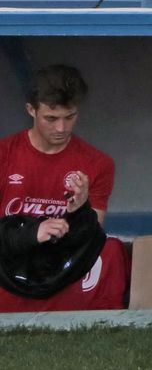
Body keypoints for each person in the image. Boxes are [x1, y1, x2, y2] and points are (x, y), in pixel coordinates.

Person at [0, 64, 129, 312]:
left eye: (70, 117)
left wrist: (81, 210)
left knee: (110, 249)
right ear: (31, 110)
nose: (61, 128)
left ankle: (102, 322)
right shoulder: (5, 155)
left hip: (60, 271)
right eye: (51, 118)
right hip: (8, 266)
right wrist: (31, 233)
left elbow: (87, 242)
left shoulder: (97, 164)